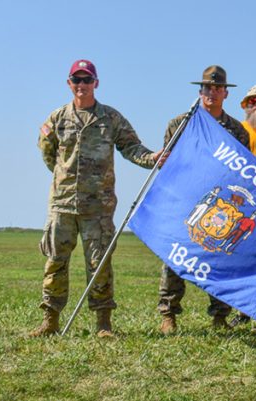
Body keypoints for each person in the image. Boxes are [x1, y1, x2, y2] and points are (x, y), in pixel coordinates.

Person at [33, 59, 164, 338]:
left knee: (100, 263)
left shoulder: (110, 118)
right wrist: (63, 177)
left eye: (87, 80)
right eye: (76, 80)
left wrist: (151, 158)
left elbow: (131, 146)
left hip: (98, 206)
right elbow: (48, 153)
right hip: (62, 204)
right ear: (69, 84)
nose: (82, 85)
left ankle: (103, 324)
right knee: (55, 260)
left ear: (96, 83)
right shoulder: (57, 118)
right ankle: (50, 321)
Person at [158, 65, 250, 334]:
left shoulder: (237, 130)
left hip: (221, 206)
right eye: (207, 88)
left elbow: (240, 172)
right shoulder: (180, 124)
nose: (212, 92)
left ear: (226, 93)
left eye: (217, 88)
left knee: (219, 259)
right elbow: (168, 165)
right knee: (175, 258)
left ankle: (220, 316)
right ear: (200, 91)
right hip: (186, 201)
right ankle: (169, 314)